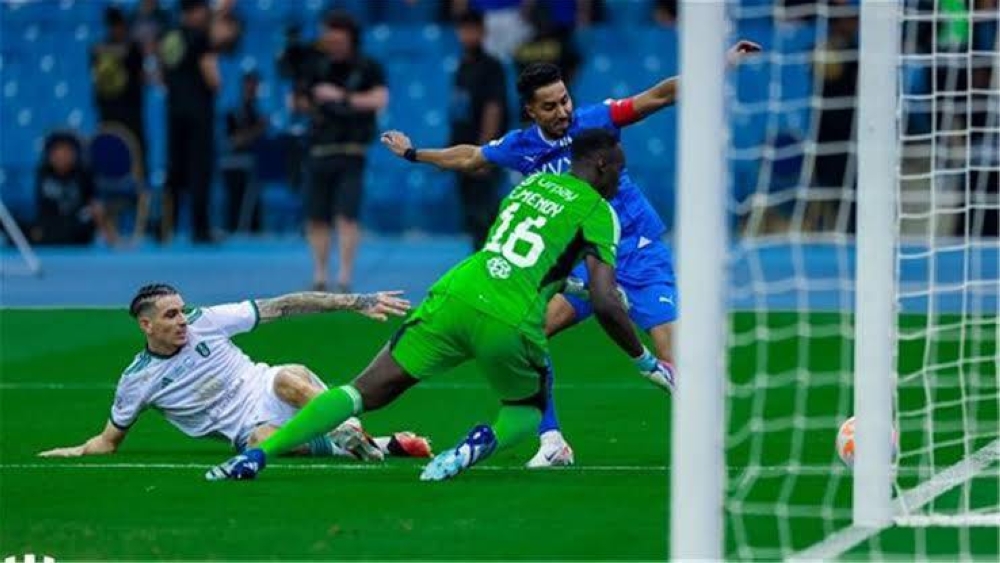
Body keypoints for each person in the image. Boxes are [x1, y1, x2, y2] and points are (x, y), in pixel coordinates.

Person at [205, 129, 675, 482]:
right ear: (602, 167)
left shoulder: (528, 188)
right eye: (618, 170)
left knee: (362, 391)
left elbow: (518, 254)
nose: (620, 179)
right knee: (526, 409)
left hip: (454, 292)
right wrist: (644, 360)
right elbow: (605, 299)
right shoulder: (601, 211)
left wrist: (561, 283)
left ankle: (255, 457)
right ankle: (474, 447)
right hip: (508, 317)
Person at [379, 41, 760, 467]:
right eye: (550, 106)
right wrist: (414, 154)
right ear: (530, 111)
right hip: (581, 263)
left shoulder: (596, 120)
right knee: (528, 334)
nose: (562, 111)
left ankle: (705, 447)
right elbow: (470, 157)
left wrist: (720, 65)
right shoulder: (521, 146)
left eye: (564, 100)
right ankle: (552, 440)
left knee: (672, 357)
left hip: (637, 250)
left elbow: (659, 95)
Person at [39, 284, 431, 461]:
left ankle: (345, 429)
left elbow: (283, 306)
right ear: (146, 326)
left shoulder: (205, 321)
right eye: (171, 315)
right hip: (243, 427)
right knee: (266, 443)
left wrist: (354, 302)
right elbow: (109, 441)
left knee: (287, 378)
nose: (182, 321)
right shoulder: (137, 381)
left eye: (182, 310)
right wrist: (75, 450)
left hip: (265, 387)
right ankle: (382, 444)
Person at [300, 11, 388, 291]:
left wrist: (340, 97)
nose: (334, 44)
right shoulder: (315, 65)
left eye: (339, 39)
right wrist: (310, 100)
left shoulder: (367, 66)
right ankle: (320, 274)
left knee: (347, 214)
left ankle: (345, 276)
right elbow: (298, 101)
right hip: (318, 148)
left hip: (352, 149)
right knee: (316, 217)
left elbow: (379, 99)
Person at [160, 0, 220, 243]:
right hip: (198, 112)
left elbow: (162, 74)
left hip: (174, 110)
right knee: (199, 171)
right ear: (193, 11)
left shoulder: (169, 36)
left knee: (175, 170)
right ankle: (200, 229)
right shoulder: (200, 36)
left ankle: (166, 226)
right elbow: (211, 75)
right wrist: (215, 85)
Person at [448, 10, 508, 251]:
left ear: (482, 32)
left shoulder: (492, 66)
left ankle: (491, 261)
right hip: (461, 149)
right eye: (463, 30)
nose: (467, 35)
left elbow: (493, 108)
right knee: (471, 214)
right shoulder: (462, 66)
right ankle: (478, 260)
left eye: (472, 29)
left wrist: (483, 153)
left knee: (485, 213)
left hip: (480, 151)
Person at [91, 6, 148, 182]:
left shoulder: (133, 49)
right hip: (108, 117)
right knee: (107, 165)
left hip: (131, 117)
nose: (116, 29)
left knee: (136, 164)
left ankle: (140, 200)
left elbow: (139, 71)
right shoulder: (97, 50)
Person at [30, 132, 117, 246]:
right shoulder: (43, 174)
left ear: (75, 154)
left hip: (77, 225)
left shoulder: (84, 174)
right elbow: (42, 209)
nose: (62, 156)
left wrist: (104, 227)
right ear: (50, 155)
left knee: (89, 216)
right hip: (50, 226)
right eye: (57, 152)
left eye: (67, 151)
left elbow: (93, 204)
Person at [221, 71, 267, 233]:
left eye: (255, 84)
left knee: (254, 204)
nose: (253, 88)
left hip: (253, 164)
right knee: (236, 202)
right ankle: (234, 232)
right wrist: (257, 130)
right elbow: (233, 141)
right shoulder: (234, 113)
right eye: (250, 84)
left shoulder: (257, 111)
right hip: (234, 165)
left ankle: (254, 232)